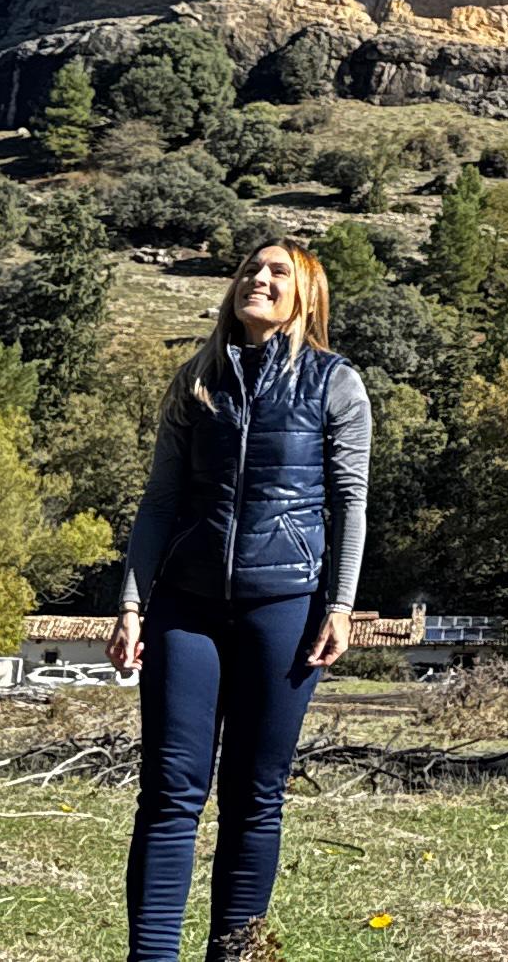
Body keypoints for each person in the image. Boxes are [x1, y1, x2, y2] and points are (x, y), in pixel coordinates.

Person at [110, 238, 369, 962]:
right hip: (184, 609)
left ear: (304, 296)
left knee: (255, 799)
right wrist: (132, 603)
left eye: (276, 273)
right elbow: (159, 500)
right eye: (250, 270)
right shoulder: (197, 380)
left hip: (284, 609)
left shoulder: (334, 383)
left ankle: (234, 954)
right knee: (169, 795)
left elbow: (351, 504)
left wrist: (339, 606)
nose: (258, 279)